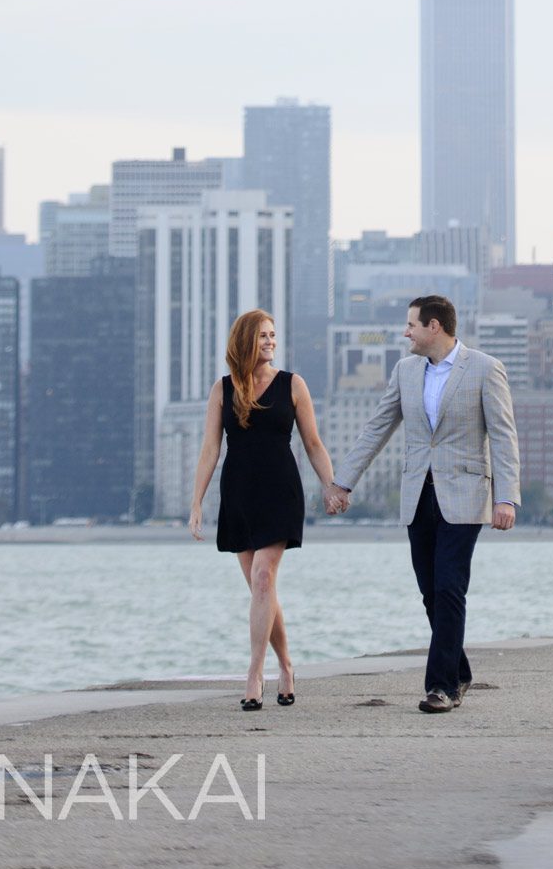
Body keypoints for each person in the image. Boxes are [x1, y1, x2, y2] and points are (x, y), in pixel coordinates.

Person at [329, 294, 521, 714]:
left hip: (467, 495)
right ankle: (460, 670)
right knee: (430, 593)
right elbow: (376, 428)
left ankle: (441, 687)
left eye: (411, 325)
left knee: (450, 587)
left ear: (435, 327)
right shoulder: (405, 370)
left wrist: (506, 497)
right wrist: (343, 482)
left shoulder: (486, 369)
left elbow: (504, 437)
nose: (406, 332)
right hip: (419, 495)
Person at [190, 308, 339, 712]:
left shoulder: (293, 385)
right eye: (262, 336)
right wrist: (196, 502)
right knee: (263, 591)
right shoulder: (223, 390)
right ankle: (287, 667)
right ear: (244, 342)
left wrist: (331, 487)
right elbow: (209, 450)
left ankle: (254, 675)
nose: (271, 342)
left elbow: (313, 444)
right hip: (238, 494)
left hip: (280, 492)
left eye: (273, 335)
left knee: (262, 578)